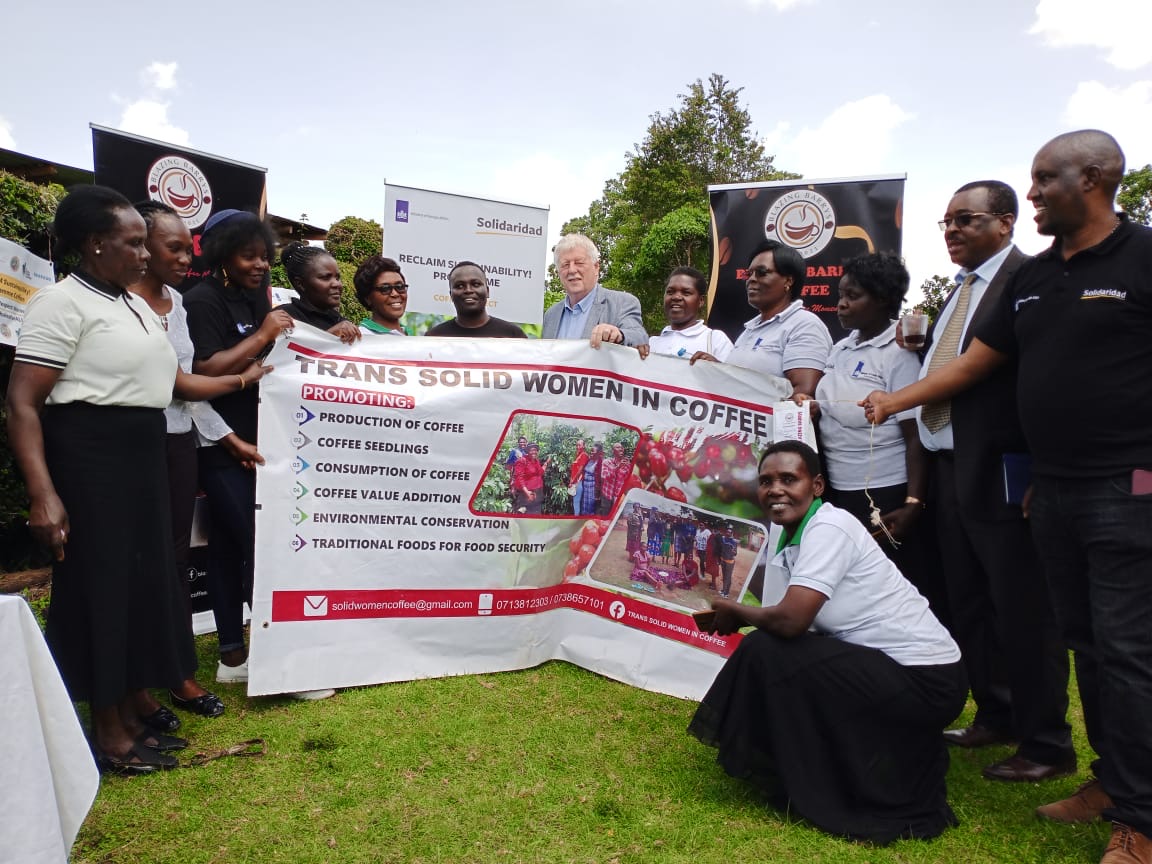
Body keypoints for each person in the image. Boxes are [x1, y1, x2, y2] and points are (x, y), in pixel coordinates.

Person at [861, 131, 1152, 864]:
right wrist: (896, 401)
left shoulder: (1144, 257)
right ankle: (1111, 784)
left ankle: (1142, 821)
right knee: (1087, 646)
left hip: (1130, 490)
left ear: (1093, 179)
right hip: (1049, 491)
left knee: (1129, 653)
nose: (1032, 195)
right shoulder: (1035, 280)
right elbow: (971, 366)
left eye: (1044, 180)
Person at [7, 186, 254, 772]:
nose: (145, 255)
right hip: (91, 458)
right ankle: (107, 734)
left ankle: (129, 718)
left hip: (144, 452)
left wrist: (249, 375)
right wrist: (43, 494)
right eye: (134, 243)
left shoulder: (136, 306)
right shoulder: (59, 304)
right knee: (101, 590)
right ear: (96, 244)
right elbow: (21, 403)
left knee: (141, 587)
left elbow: (177, 384)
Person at [689, 440, 966, 844]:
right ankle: (791, 764)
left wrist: (737, 611)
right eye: (766, 481)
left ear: (816, 486)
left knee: (766, 649)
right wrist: (745, 616)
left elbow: (790, 622)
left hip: (928, 681)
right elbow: (795, 627)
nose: (775, 490)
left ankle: (793, 769)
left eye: (789, 479)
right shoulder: (790, 541)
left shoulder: (829, 527)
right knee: (771, 653)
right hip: (886, 668)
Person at [908, 181, 1074, 783]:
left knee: (1023, 609)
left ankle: (1047, 743)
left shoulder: (1027, 280)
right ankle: (996, 713)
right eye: (946, 222)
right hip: (952, 468)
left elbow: (1044, 382)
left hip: (1006, 471)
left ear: (1006, 223)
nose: (951, 231)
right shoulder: (957, 291)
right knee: (970, 602)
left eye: (966, 220)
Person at [183, 209, 334, 701]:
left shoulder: (255, 299)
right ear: (224, 254)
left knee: (227, 549)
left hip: (261, 441)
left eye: (264, 257)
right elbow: (203, 372)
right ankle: (285, 665)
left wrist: (329, 339)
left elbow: (275, 360)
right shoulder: (200, 301)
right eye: (248, 256)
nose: (259, 265)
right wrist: (264, 335)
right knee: (261, 548)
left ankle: (232, 655)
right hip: (222, 445)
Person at [130, 201, 267, 723]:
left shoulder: (180, 304)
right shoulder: (192, 300)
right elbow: (193, 381)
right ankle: (144, 680)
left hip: (186, 441)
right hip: (167, 444)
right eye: (174, 247)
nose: (184, 257)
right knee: (237, 547)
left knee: (192, 552)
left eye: (188, 247)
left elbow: (186, 392)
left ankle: (204, 662)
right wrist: (231, 428)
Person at [797, 253, 931, 597]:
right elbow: (831, 405)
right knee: (848, 587)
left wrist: (913, 501)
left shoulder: (898, 354)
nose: (840, 304)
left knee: (886, 586)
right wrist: (811, 408)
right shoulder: (840, 348)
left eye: (852, 296)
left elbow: (914, 433)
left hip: (884, 493)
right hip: (839, 490)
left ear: (883, 299)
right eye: (840, 295)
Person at [692, 240, 831, 394]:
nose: (751, 279)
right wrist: (719, 368)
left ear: (788, 280)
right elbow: (743, 385)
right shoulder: (749, 330)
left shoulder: (804, 325)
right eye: (749, 273)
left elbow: (803, 393)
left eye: (762, 273)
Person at [542, 234, 648, 347]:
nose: (572, 270)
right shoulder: (551, 315)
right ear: (558, 272)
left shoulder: (622, 303)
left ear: (596, 267)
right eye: (565, 265)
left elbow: (640, 338)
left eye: (579, 263)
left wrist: (619, 335)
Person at [276, 242, 360, 343]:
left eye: (337, 278)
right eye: (325, 278)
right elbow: (281, 356)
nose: (336, 284)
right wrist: (329, 336)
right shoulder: (284, 318)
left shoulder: (339, 320)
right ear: (300, 284)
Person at [645, 267, 733, 360]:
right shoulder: (652, 344)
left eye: (686, 293)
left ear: (701, 301)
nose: (676, 297)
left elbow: (734, 374)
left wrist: (715, 367)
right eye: (670, 292)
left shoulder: (715, 340)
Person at [426, 261, 527, 338]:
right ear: (451, 295)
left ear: (487, 291)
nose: (468, 290)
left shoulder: (513, 335)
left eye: (476, 284)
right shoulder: (435, 336)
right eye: (460, 286)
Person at [353, 255, 408, 335]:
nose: (395, 294)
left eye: (400, 287)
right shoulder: (362, 338)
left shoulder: (416, 336)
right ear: (367, 298)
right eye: (385, 288)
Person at [510, 443, 550, 514]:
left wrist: (546, 463)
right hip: (528, 492)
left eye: (535, 450)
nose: (534, 452)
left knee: (536, 512)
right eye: (531, 450)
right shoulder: (522, 460)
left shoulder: (536, 461)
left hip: (538, 491)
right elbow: (519, 478)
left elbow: (540, 472)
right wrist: (527, 492)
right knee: (526, 513)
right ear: (528, 451)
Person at [598, 441, 631, 516]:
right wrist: (618, 467)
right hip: (607, 495)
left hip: (618, 497)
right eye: (618, 447)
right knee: (605, 515)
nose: (621, 449)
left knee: (615, 517)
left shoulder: (627, 464)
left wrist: (629, 467)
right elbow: (604, 477)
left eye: (621, 447)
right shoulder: (606, 462)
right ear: (613, 451)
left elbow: (627, 481)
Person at [576, 443, 604, 516]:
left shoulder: (600, 462)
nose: (591, 453)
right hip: (585, 486)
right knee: (584, 505)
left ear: (598, 453)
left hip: (592, 487)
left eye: (593, 451)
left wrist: (598, 493)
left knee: (590, 506)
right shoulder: (589, 460)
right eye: (590, 451)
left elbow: (601, 479)